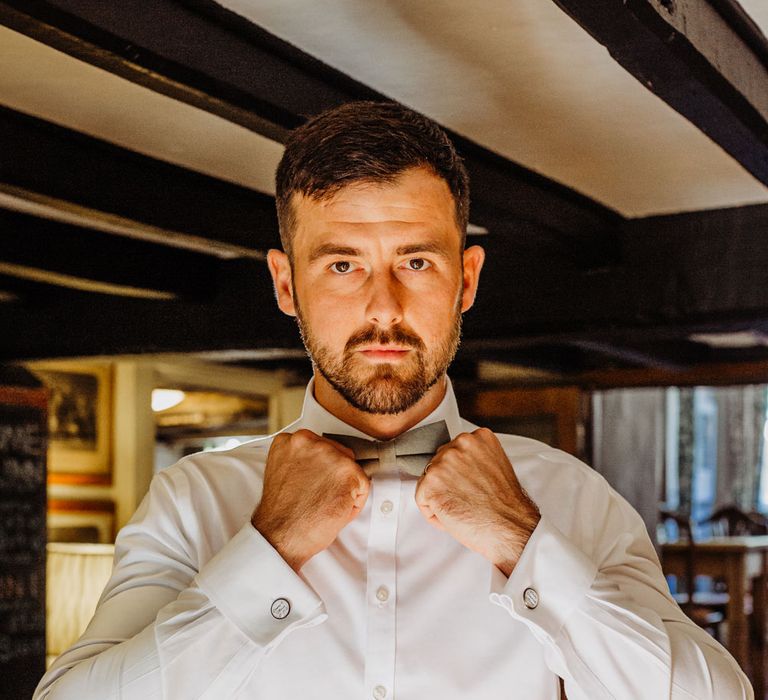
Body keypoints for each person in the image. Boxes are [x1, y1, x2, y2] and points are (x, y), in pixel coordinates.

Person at [35, 101, 752, 700]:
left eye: (416, 261)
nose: (384, 306)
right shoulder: (193, 503)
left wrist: (525, 543)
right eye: (343, 264)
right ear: (286, 286)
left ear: (466, 280)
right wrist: (268, 549)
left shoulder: (569, 499)